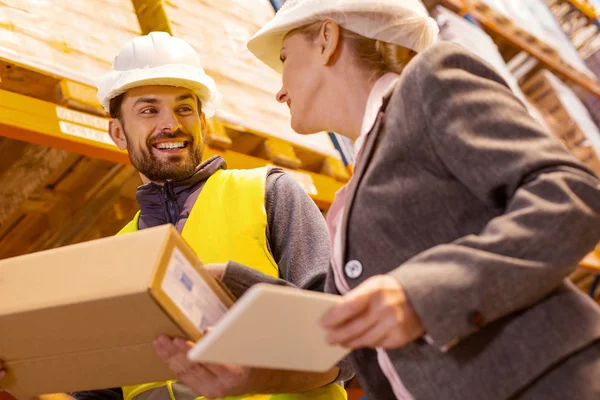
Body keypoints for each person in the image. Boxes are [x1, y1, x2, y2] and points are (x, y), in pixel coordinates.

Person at [153, 1, 600, 399]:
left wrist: (422, 295)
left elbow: (570, 196)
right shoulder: (355, 189)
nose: (280, 90)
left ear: (327, 39)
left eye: (285, 59)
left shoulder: (433, 80)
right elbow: (343, 334)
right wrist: (229, 293)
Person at [0, 32, 352, 400]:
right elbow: (105, 390)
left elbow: (342, 344)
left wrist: (234, 286)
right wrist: (21, 378)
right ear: (118, 132)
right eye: (149, 110)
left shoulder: (268, 193)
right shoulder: (119, 251)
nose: (171, 124)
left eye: (185, 108)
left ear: (203, 121)